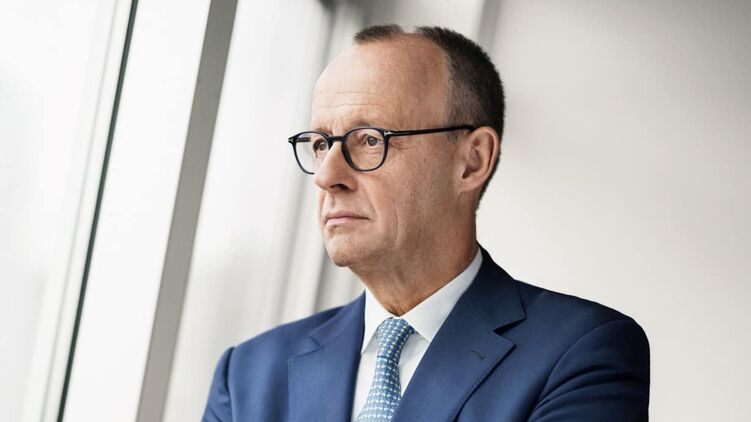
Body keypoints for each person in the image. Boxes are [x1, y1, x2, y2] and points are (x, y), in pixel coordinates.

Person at [203, 24, 650, 422]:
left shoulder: (582, 354)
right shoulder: (246, 375)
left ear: (471, 161)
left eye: (369, 140)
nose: (327, 176)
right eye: (320, 144)